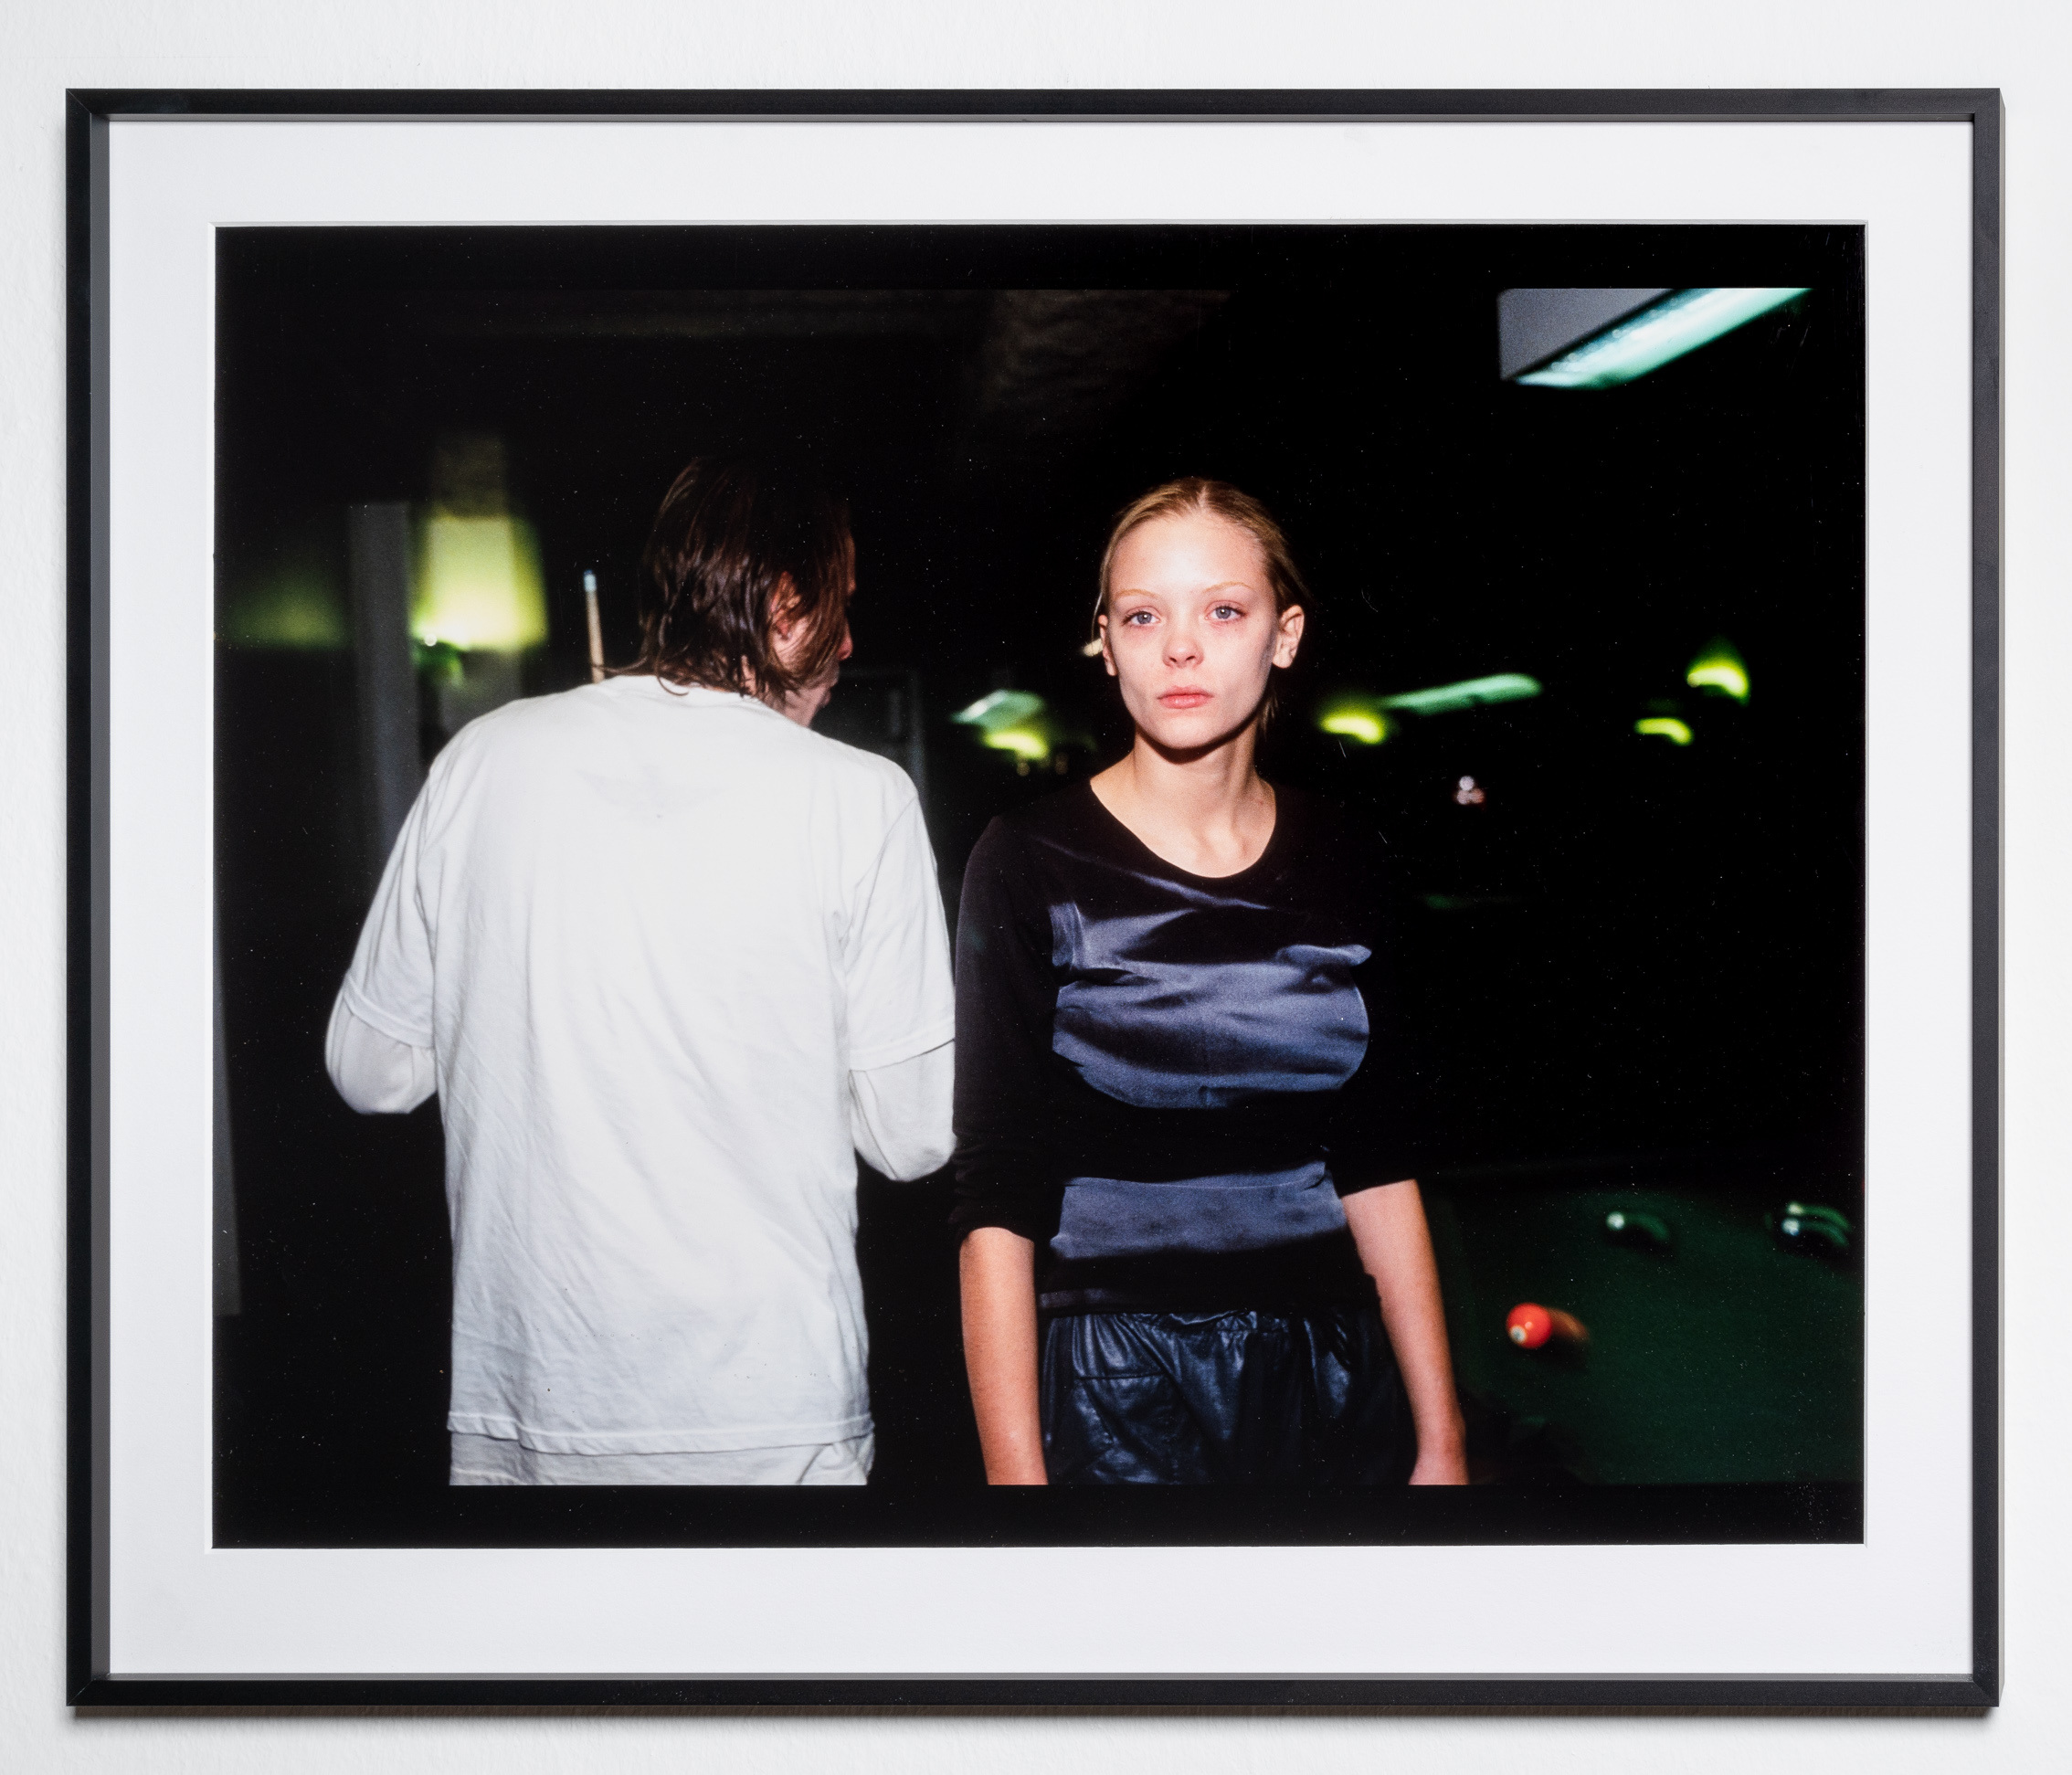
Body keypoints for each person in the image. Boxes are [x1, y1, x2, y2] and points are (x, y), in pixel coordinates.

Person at [325, 457, 956, 1485]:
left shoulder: (483, 756)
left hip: (528, 1399)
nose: (848, 643)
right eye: (838, 611)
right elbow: (914, 1134)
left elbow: (371, 1067)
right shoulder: (861, 795)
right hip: (768, 1408)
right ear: (788, 605)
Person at [952, 477, 1467, 1485]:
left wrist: (1443, 1442)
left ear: (1285, 633)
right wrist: (1017, 1496)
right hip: (1111, 1387)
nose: (1180, 646)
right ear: (1106, 642)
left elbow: (1379, 1161)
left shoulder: (1352, 853)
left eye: (1223, 610)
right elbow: (994, 1198)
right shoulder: (1025, 857)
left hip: (1331, 1374)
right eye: (1144, 615)